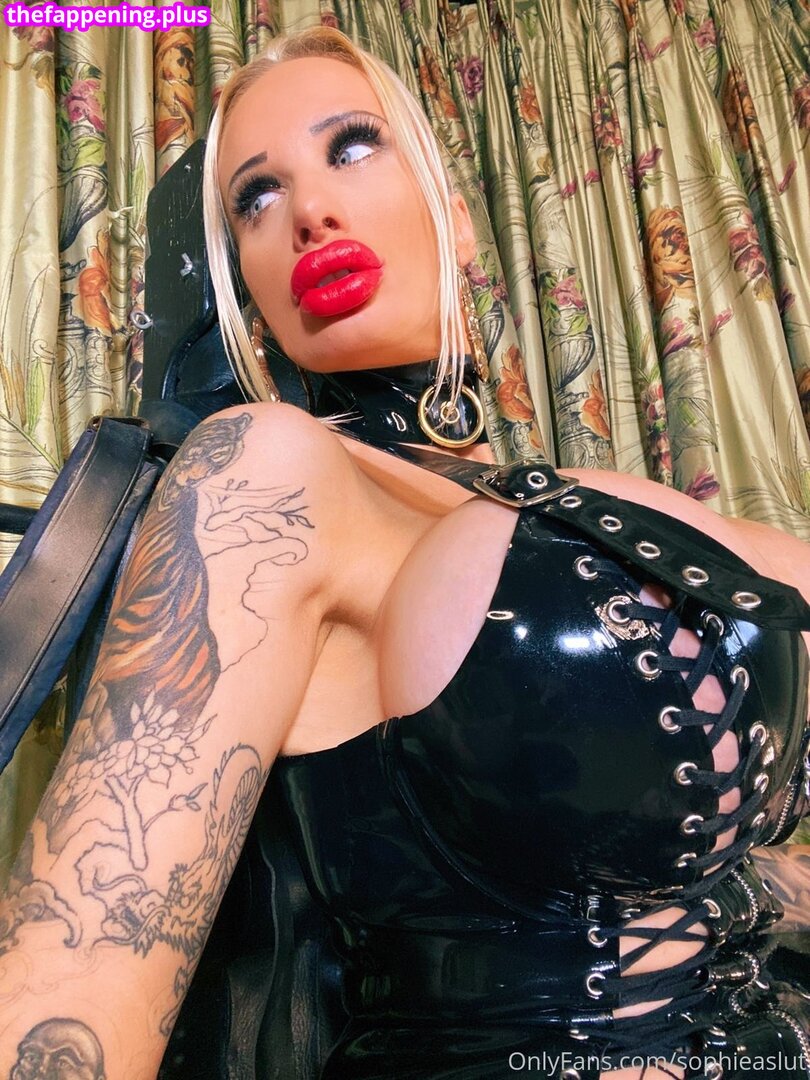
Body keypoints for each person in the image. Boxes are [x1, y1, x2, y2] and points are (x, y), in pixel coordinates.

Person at [1, 26, 809, 1080]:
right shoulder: (266, 474)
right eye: (256, 198)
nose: (309, 211)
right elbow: (73, 980)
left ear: (457, 217)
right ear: (247, 290)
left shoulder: (598, 505)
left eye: (352, 147)